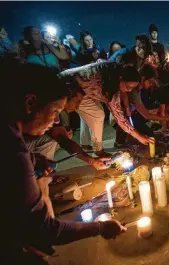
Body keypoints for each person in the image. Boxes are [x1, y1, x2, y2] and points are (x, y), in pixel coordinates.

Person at [0, 62, 126, 264]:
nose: (57, 120)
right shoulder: (12, 147)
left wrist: (33, 161)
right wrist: (100, 227)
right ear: (30, 103)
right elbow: (48, 231)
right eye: (55, 111)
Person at [60, 62, 153, 156]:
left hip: (82, 89)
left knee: (97, 114)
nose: (129, 90)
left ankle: (96, 149)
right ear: (121, 79)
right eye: (128, 87)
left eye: (132, 88)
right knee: (98, 115)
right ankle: (98, 151)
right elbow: (120, 119)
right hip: (69, 87)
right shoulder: (104, 83)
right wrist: (139, 136)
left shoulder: (113, 75)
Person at [115, 64, 169, 146]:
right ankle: (121, 143)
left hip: (131, 115)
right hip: (120, 119)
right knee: (145, 138)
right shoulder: (133, 91)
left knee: (148, 135)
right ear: (143, 78)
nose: (151, 84)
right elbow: (147, 115)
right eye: (150, 82)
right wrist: (167, 119)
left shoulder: (139, 89)